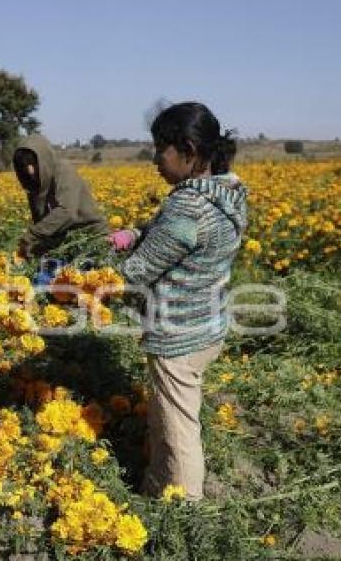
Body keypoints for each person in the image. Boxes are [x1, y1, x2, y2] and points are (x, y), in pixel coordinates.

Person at [108, 102, 248, 500]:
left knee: (178, 427)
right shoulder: (227, 193)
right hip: (209, 324)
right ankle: (156, 484)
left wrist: (87, 282)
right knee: (172, 416)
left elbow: (139, 270)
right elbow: (168, 236)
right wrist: (133, 234)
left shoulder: (186, 205)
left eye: (160, 149)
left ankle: (183, 509)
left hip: (179, 334)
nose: (154, 160)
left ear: (188, 148)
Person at [12, 134, 109, 285]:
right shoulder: (34, 187)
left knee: (77, 287)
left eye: (33, 163)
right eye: (24, 166)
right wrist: (30, 251)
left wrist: (31, 236)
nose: (30, 170)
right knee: (39, 281)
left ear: (43, 158)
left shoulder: (63, 170)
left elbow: (66, 212)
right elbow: (43, 226)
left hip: (90, 240)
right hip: (64, 246)